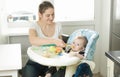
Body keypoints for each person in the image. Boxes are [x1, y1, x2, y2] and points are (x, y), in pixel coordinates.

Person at [22, 1, 65, 77]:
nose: (51, 18)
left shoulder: (58, 25)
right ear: (40, 14)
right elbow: (33, 40)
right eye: (48, 15)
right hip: (36, 62)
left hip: (52, 64)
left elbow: (60, 47)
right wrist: (54, 41)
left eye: (53, 14)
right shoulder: (34, 26)